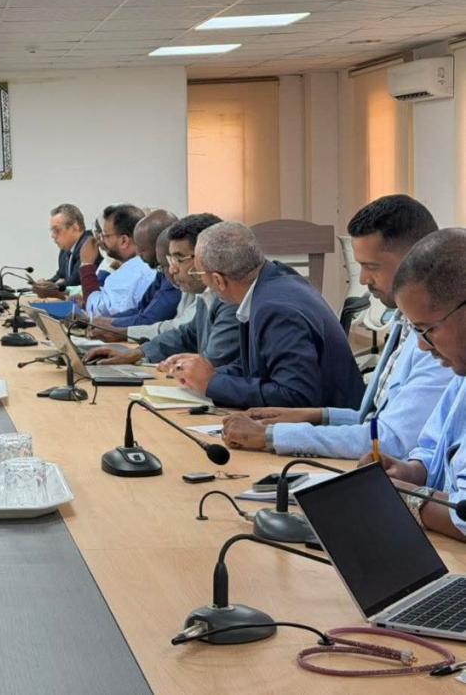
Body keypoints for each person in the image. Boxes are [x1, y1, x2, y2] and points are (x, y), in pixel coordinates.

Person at [222, 195, 451, 458]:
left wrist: (272, 436)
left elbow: (391, 441)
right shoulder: (404, 321)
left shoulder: (440, 342)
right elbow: (377, 419)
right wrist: (316, 416)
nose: (363, 279)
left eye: (371, 267)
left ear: (414, 261)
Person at [164, 221, 365, 409]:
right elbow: (258, 367)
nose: (203, 282)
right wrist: (205, 374)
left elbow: (296, 396)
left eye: (200, 274)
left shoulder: (276, 309)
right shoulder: (274, 279)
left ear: (218, 280)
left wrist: (212, 383)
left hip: (333, 425)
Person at [360, 229, 466, 541]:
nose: (422, 345)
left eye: (427, 329)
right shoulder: (460, 377)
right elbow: (434, 448)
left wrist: (407, 498)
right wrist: (411, 471)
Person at [85, 213, 240, 368]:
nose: (172, 270)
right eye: (170, 261)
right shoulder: (208, 294)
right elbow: (186, 335)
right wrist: (139, 353)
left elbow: (212, 366)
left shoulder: (231, 299)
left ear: (205, 256)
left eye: (179, 259)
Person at [82, 208, 176, 331]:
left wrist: (86, 264)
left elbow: (150, 319)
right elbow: (141, 310)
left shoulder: (167, 274)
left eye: (142, 248)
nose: (138, 253)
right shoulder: (160, 272)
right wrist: (109, 322)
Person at [32, 204, 93, 297]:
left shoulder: (89, 246)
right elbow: (60, 275)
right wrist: (44, 284)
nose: (53, 236)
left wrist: (52, 287)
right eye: (52, 231)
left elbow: (74, 283)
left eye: (57, 230)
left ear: (75, 227)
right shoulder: (65, 250)